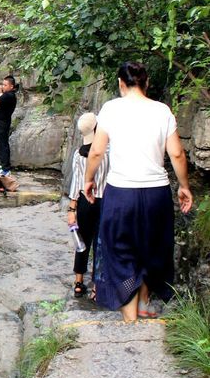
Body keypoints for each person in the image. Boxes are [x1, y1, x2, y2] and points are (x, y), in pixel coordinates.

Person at [84, 61, 193, 324]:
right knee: (153, 248)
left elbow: (97, 151)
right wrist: (185, 187)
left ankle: (131, 318)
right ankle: (144, 304)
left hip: (121, 193)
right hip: (157, 193)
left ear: (121, 83)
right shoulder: (162, 110)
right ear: (146, 83)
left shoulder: (111, 109)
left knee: (121, 251)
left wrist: (88, 180)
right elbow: (177, 153)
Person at [67, 112, 108, 300]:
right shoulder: (108, 152)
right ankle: (97, 286)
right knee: (100, 243)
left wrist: (72, 208)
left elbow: (76, 182)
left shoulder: (78, 154)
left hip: (84, 201)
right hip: (104, 200)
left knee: (82, 242)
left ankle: (78, 282)